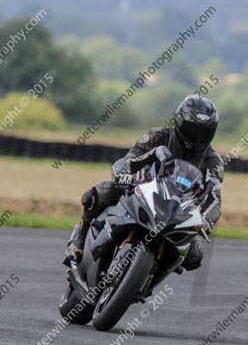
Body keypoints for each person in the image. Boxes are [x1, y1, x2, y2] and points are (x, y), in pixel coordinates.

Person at [65, 95, 224, 272]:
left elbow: (215, 196)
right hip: (143, 189)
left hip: (178, 211)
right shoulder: (158, 136)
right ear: (179, 122)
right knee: (100, 192)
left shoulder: (213, 161)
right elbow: (128, 160)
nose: (198, 137)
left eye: (204, 131)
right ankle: (79, 239)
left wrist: (206, 220)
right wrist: (124, 175)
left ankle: (149, 277)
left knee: (195, 254)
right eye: (192, 129)